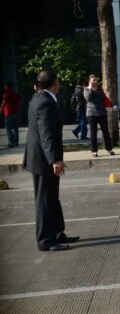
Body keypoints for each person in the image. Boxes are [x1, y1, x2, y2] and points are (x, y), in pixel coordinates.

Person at [23, 69, 80, 251]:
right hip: (43, 160)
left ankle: (57, 233)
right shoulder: (44, 102)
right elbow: (46, 133)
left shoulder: (39, 97)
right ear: (54, 83)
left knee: (52, 198)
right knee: (44, 200)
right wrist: (55, 159)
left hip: (43, 157)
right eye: (58, 81)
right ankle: (45, 240)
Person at [84, 74, 115, 157]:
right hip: (91, 113)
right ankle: (94, 151)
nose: (95, 82)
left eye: (96, 80)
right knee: (93, 132)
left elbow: (102, 97)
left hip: (102, 113)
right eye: (93, 80)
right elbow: (88, 98)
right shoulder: (86, 89)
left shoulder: (99, 89)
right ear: (89, 81)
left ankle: (109, 149)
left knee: (105, 131)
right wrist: (90, 89)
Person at [1, 82, 20, 148]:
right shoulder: (15, 94)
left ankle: (12, 142)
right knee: (15, 128)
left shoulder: (6, 94)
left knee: (8, 129)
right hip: (15, 113)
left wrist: (0, 109)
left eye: (4, 86)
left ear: (7, 86)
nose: (4, 87)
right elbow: (19, 102)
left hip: (8, 113)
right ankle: (16, 142)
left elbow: (4, 102)